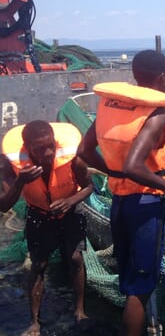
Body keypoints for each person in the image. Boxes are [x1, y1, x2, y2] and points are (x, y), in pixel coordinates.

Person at [77, 49, 165, 336]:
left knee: (130, 278)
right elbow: (134, 164)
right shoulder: (156, 113)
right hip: (145, 206)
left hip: (120, 203)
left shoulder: (111, 106)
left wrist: (113, 172)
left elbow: (84, 152)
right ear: (164, 77)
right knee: (140, 288)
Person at [0, 120, 92, 336]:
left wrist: (71, 201)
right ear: (28, 148)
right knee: (39, 265)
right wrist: (19, 182)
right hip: (39, 214)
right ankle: (34, 322)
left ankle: (80, 310)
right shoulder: (11, 165)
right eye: (40, 149)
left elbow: (89, 186)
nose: (49, 152)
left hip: (70, 211)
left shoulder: (72, 158)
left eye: (51, 145)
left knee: (76, 258)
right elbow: (4, 204)